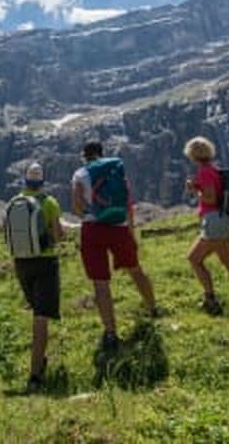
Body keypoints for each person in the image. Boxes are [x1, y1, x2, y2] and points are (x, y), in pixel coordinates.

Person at [72, 141, 157, 353]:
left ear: (85, 156)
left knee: (101, 283)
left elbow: (76, 207)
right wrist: (130, 231)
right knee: (135, 269)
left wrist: (90, 214)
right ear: (102, 153)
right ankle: (153, 308)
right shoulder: (115, 169)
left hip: (92, 229)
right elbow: (127, 203)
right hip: (119, 228)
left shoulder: (79, 174)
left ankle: (111, 333)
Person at [6, 163, 65, 392]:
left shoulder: (15, 202)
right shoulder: (49, 203)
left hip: (21, 264)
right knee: (41, 319)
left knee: (36, 311)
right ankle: (34, 376)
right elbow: (58, 236)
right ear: (42, 181)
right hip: (45, 263)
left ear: (25, 180)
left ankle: (40, 360)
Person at [184, 137, 229, 323]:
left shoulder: (204, 172)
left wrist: (194, 189)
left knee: (197, 259)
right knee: (226, 260)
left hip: (214, 220)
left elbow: (210, 198)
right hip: (221, 220)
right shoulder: (214, 169)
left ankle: (217, 300)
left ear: (193, 155)